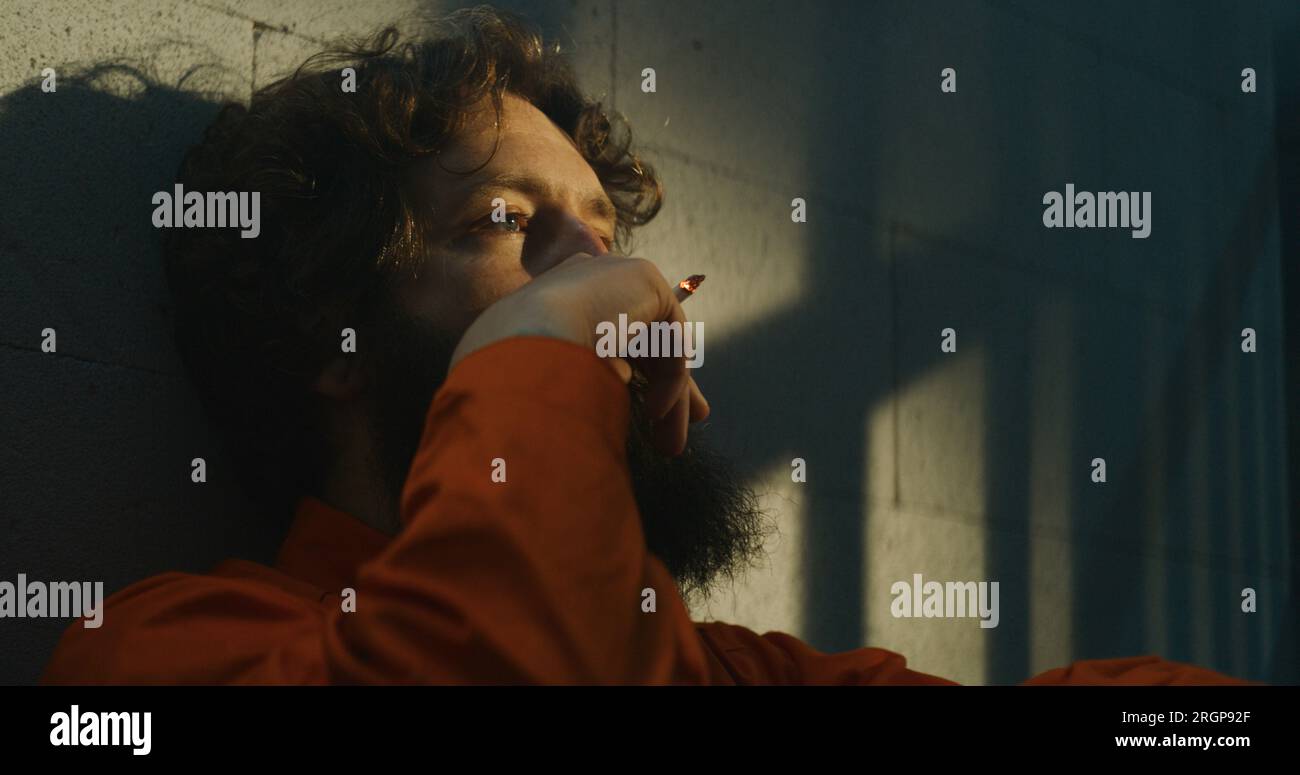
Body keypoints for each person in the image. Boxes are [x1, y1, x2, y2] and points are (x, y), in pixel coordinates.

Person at [41, 7, 1246, 685]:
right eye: (506, 225)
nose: (622, 284)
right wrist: (547, 340)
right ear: (332, 337)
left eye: (611, 242)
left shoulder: (706, 667)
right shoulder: (155, 657)